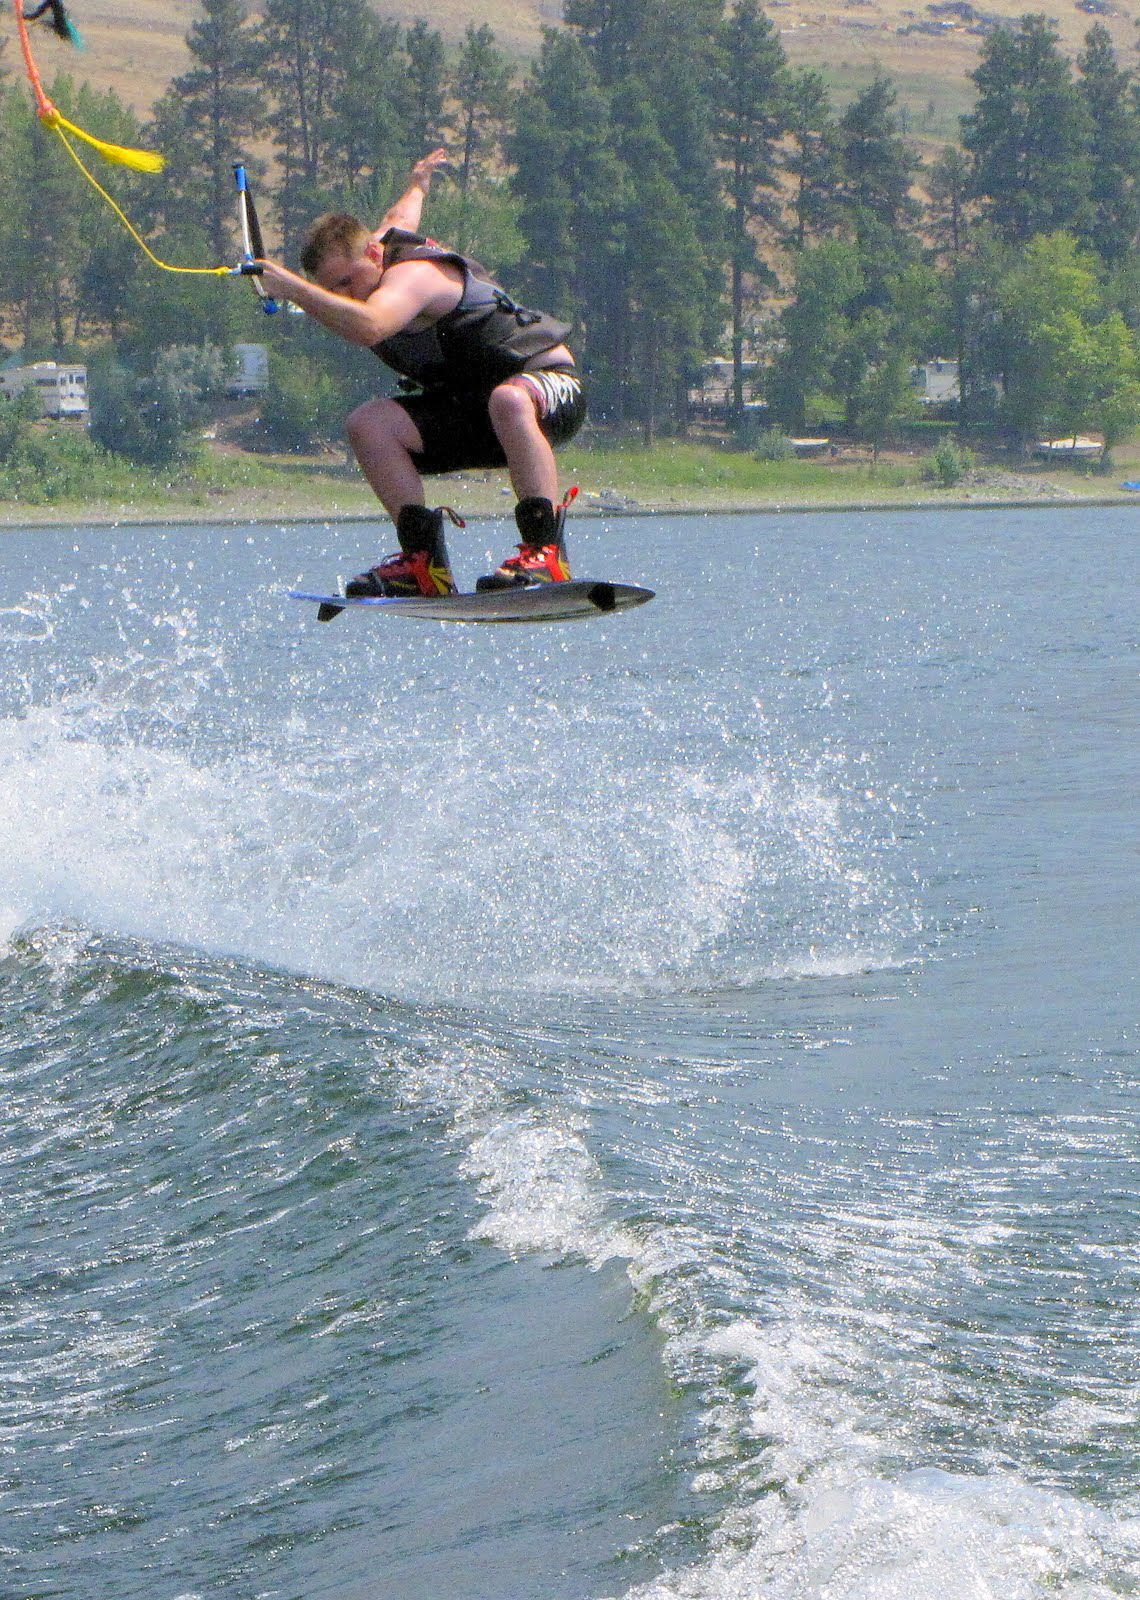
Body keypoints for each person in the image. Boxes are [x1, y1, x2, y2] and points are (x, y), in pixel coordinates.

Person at [256, 149, 585, 602]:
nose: (343, 297)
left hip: (549, 389)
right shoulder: (374, 251)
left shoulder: (414, 276)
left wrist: (293, 288)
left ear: (374, 253)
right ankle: (422, 565)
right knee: (368, 423)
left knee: (508, 399)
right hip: (478, 416)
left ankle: (545, 553)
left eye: (347, 282)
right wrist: (418, 183)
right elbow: (400, 216)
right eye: (331, 290)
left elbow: (370, 326)